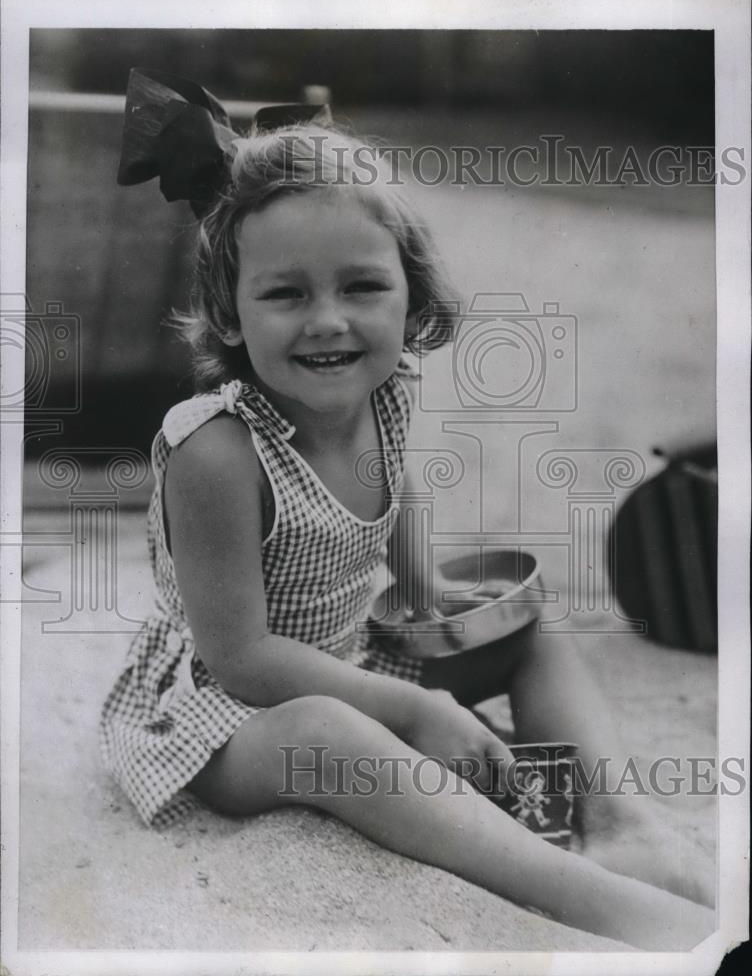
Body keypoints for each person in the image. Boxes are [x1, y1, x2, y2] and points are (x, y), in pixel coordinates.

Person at [101, 70, 714, 950]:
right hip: (233, 714)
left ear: (411, 297)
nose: (327, 322)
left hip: (352, 648)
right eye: (285, 294)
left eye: (361, 287)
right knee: (332, 732)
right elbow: (241, 658)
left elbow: (399, 487)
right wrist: (417, 711)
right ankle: (572, 891)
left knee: (533, 632)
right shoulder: (217, 451)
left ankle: (622, 824)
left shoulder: (381, 394)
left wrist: (430, 603)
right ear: (229, 317)